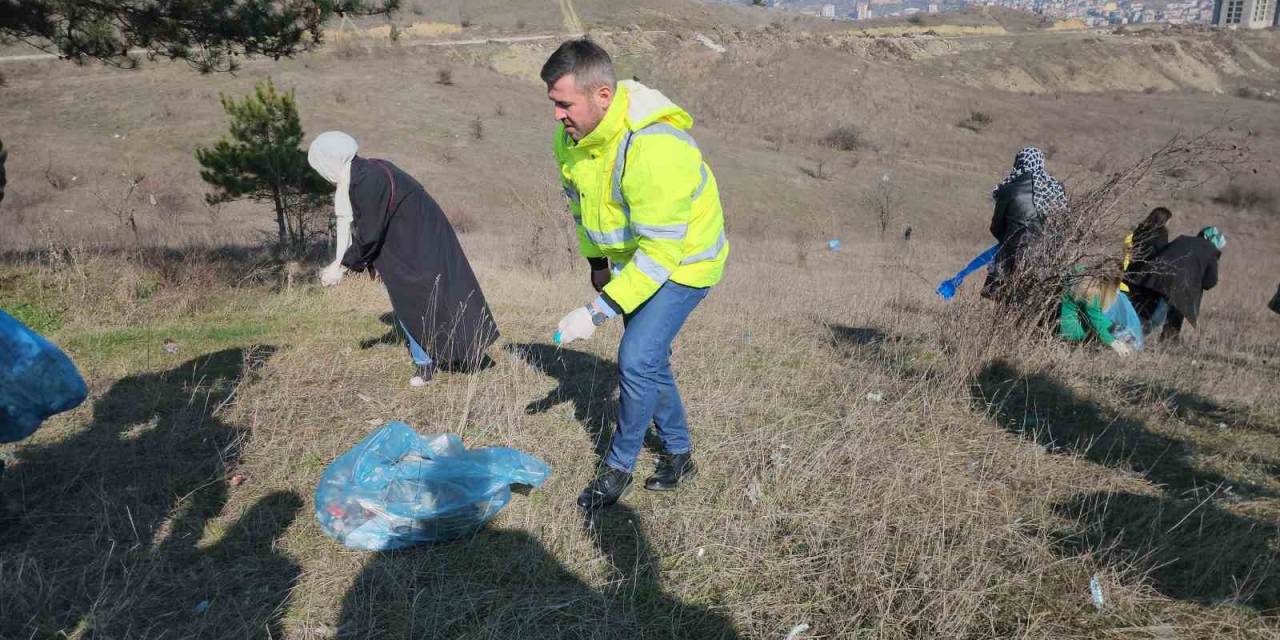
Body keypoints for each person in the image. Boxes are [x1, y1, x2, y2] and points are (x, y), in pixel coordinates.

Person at [541, 39, 729, 510]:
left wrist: (598, 311)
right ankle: (681, 455)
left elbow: (663, 250)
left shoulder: (653, 145)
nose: (557, 115)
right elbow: (581, 208)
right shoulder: (571, 140)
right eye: (553, 103)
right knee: (649, 360)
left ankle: (619, 467)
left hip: (686, 262)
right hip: (636, 262)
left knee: (637, 358)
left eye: (565, 103)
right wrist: (599, 267)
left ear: (602, 96)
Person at [308, 132, 499, 386]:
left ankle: (438, 360)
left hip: (419, 240)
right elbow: (364, 224)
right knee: (423, 298)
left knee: (419, 298)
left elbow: (368, 234)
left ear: (329, 162)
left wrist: (342, 266)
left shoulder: (367, 180)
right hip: (411, 239)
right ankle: (444, 357)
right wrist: (358, 261)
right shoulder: (362, 173)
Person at [982, 146, 1068, 300]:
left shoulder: (1008, 189)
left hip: (1009, 260)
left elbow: (996, 227)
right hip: (1044, 262)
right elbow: (1063, 227)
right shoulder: (1055, 189)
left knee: (1005, 306)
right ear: (1041, 163)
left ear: (1018, 163)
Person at [1129, 226, 1224, 341]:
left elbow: (1165, 252)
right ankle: (1164, 340)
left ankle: (1129, 331)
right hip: (1181, 285)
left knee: (1147, 309)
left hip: (1155, 275)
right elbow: (1210, 282)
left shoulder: (1183, 238)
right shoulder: (1211, 252)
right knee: (1171, 314)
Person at [1058, 267, 1133, 356]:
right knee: (1100, 327)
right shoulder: (1092, 293)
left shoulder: (1082, 273)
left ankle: (1117, 334)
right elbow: (1097, 323)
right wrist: (1114, 344)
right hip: (1068, 330)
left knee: (1105, 322)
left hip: (1059, 319)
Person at [1121, 206, 1172, 298]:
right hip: (1144, 274)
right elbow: (1162, 251)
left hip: (1131, 268)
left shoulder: (1141, 228)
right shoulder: (1161, 233)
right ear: (1163, 220)